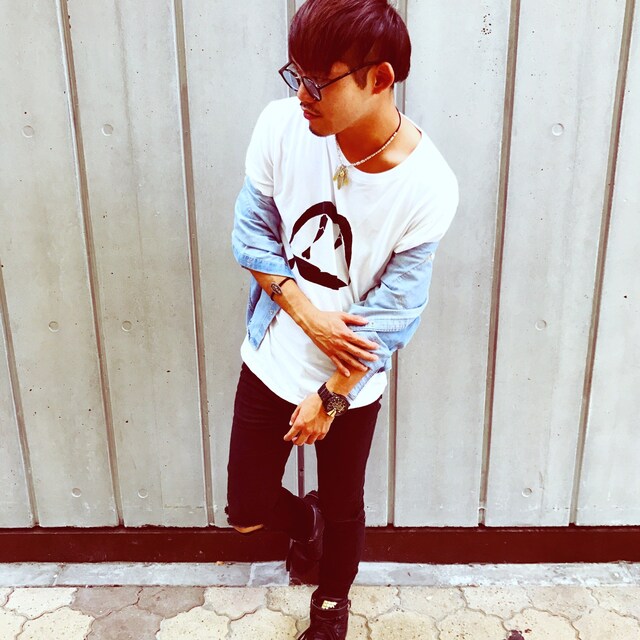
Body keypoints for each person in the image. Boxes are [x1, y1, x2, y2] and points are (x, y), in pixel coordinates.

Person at [225, 0, 459, 637]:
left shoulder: (428, 185)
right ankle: (305, 524)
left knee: (345, 501)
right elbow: (252, 236)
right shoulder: (281, 126)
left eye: (317, 82)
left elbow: (394, 314)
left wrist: (331, 396)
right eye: (295, 75)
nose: (301, 95)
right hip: (272, 358)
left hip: (351, 381)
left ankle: (332, 603)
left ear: (379, 79)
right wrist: (311, 320)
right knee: (246, 509)